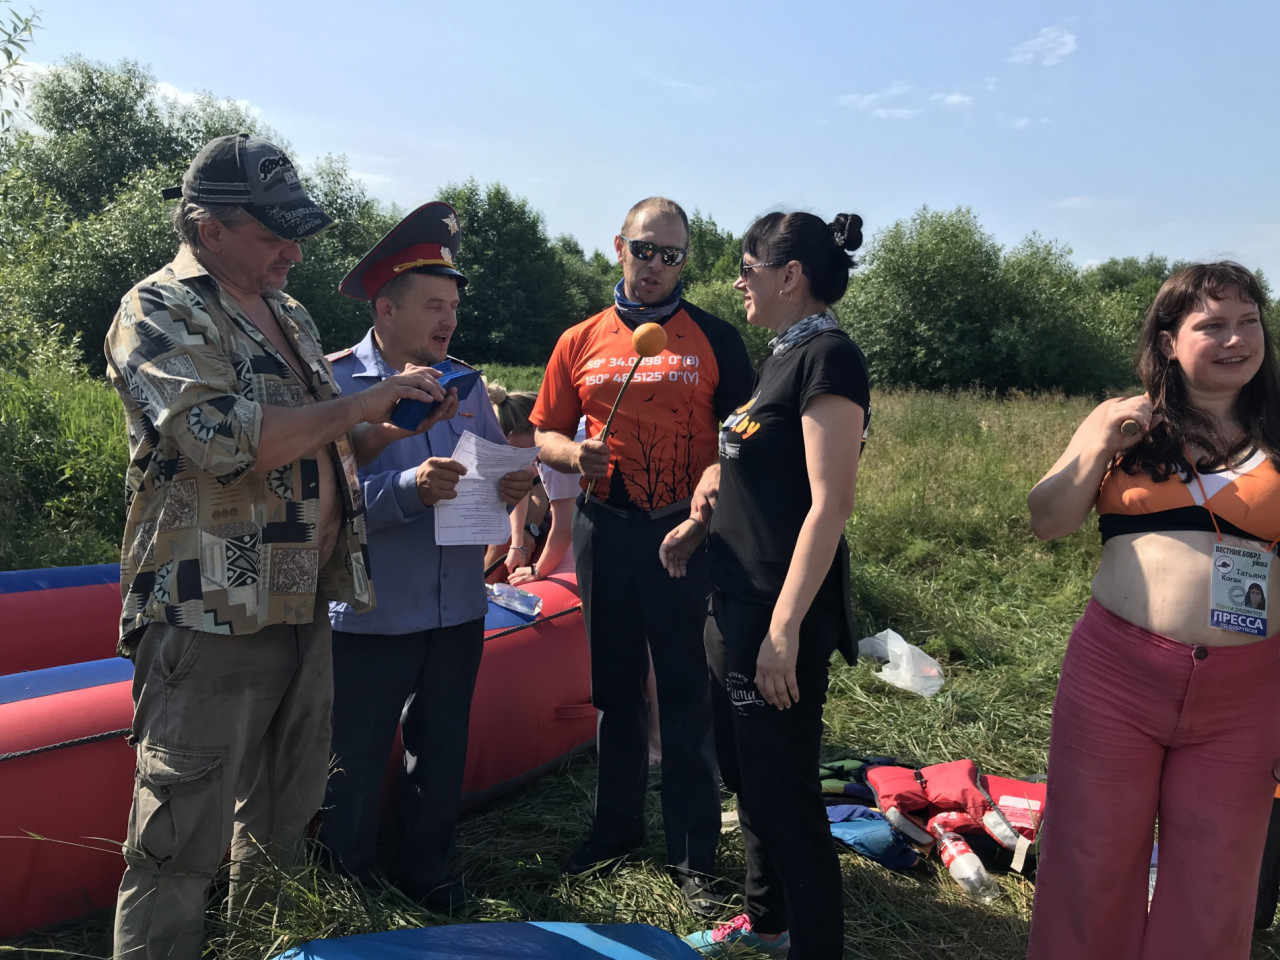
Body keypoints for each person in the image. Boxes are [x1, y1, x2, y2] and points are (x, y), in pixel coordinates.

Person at [105, 133, 447, 960]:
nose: (293, 253)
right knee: (177, 842)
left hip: (301, 603)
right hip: (208, 612)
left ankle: (263, 949)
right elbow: (226, 441)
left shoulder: (288, 314)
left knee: (282, 829)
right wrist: (363, 405)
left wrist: (384, 429)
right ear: (208, 229)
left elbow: (317, 445)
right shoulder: (157, 309)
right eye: (273, 236)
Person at [1025, 262, 1280, 960]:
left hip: (1246, 694)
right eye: (1212, 325)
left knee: (1216, 882)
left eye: (1249, 322)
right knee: (1089, 862)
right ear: (1169, 341)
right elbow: (1047, 519)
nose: (1236, 339)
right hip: (1116, 677)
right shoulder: (1122, 418)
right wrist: (1100, 445)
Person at [530, 197, 754, 911]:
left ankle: (693, 857)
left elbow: (745, 435)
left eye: (671, 254)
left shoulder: (716, 338)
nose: (655, 264)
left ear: (685, 261)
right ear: (618, 247)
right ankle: (615, 833)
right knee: (614, 691)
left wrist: (713, 485)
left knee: (686, 694)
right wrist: (573, 454)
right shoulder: (579, 340)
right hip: (605, 530)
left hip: (685, 535)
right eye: (644, 249)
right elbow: (544, 433)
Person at [660, 211, 868, 958]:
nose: (737, 283)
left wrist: (784, 631)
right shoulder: (781, 356)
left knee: (786, 799)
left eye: (747, 270)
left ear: (791, 276)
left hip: (779, 616)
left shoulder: (830, 359)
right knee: (748, 779)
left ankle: (815, 945)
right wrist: (702, 519)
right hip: (734, 603)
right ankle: (767, 923)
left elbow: (830, 504)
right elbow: (760, 473)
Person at [321, 202, 534, 912]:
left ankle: (429, 874)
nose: (449, 321)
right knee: (353, 759)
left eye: (454, 307)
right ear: (385, 308)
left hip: (458, 609)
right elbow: (319, 503)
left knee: (440, 754)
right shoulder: (334, 386)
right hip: (372, 611)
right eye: (433, 306)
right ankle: (346, 888)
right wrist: (407, 490)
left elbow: (486, 476)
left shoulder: (466, 383)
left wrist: (509, 487)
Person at [487, 384, 579, 583]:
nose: (513, 456)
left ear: (532, 429)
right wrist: (517, 543)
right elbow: (520, 489)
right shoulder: (529, 447)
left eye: (514, 449)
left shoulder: (555, 455)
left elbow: (564, 528)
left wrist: (537, 571)